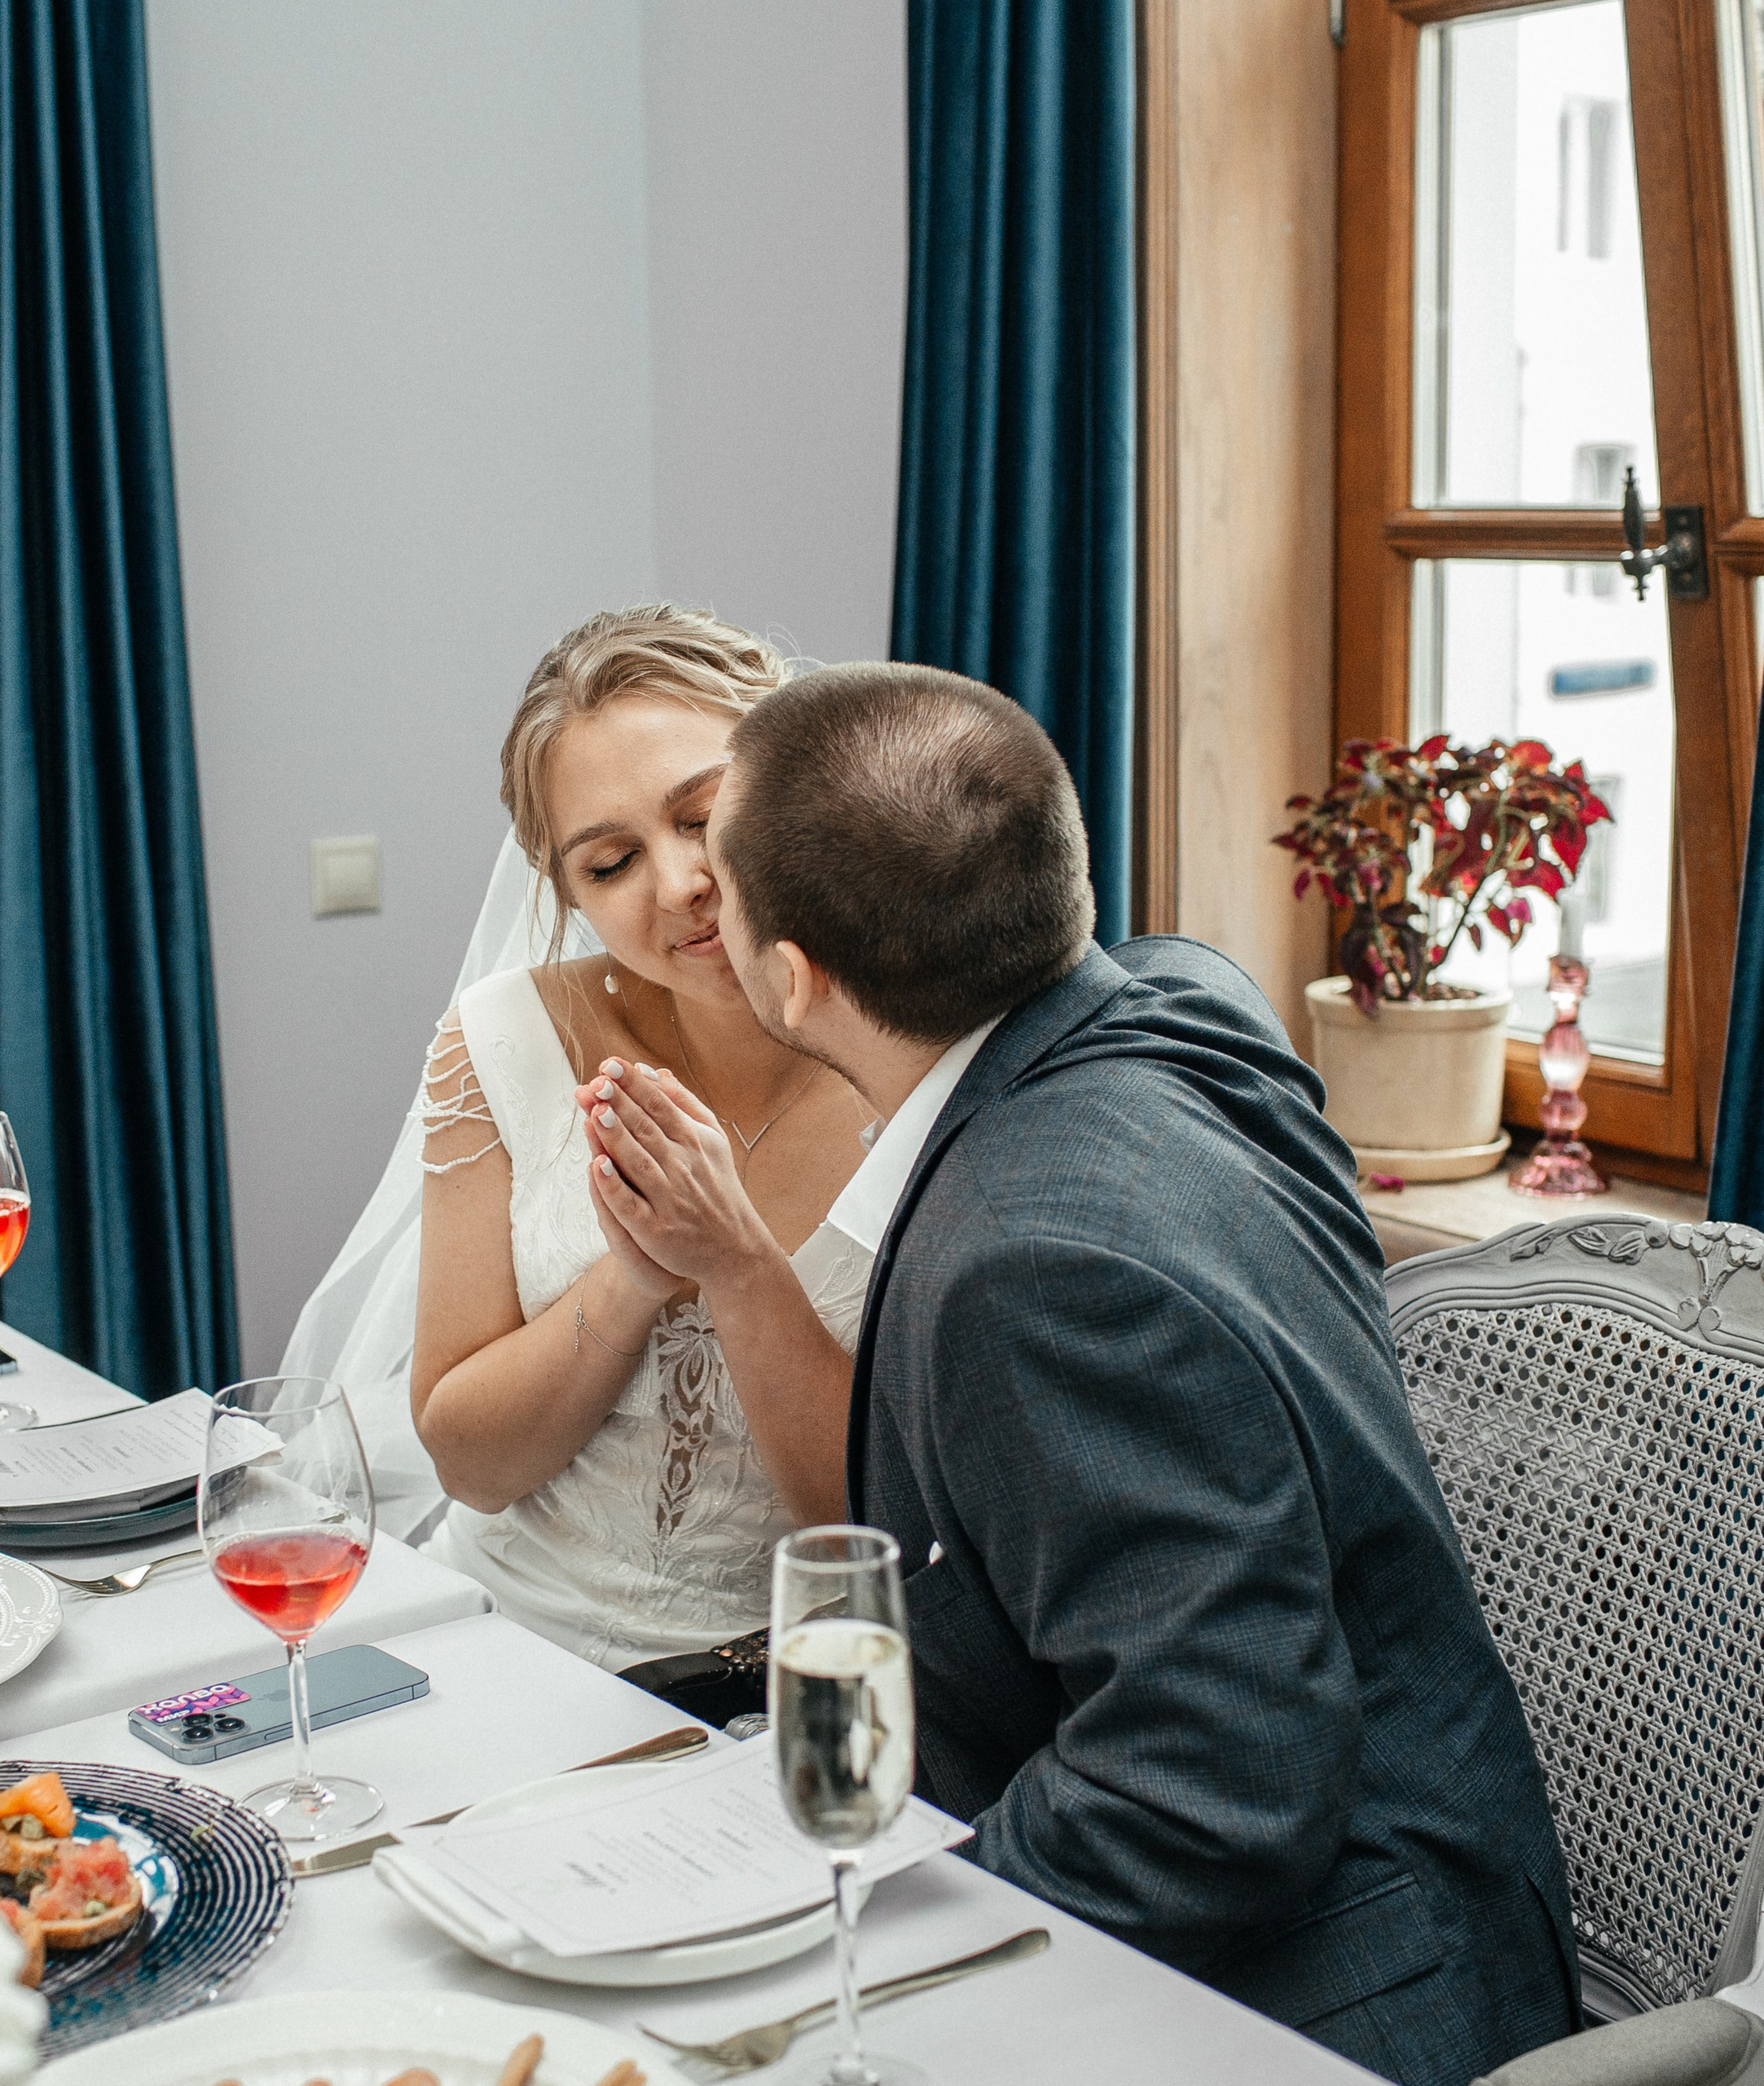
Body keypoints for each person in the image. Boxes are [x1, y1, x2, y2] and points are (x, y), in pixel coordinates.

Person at [584, 660, 1579, 2086]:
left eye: (721, 890)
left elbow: (1210, 1790)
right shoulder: (1186, 998)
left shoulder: (1029, 1268)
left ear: (793, 979)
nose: (693, 909)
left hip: (1341, 1995)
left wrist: (865, 1940)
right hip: (1424, 1871)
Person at [296, 603, 882, 1679]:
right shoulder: (504, 1043)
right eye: (610, 864)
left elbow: (863, 1516)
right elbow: (470, 1464)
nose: (678, 886)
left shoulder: (916, 1049)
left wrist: (736, 1265)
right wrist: (631, 1280)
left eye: (703, 817)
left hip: (803, 1678)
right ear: (564, 891)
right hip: (508, 1647)